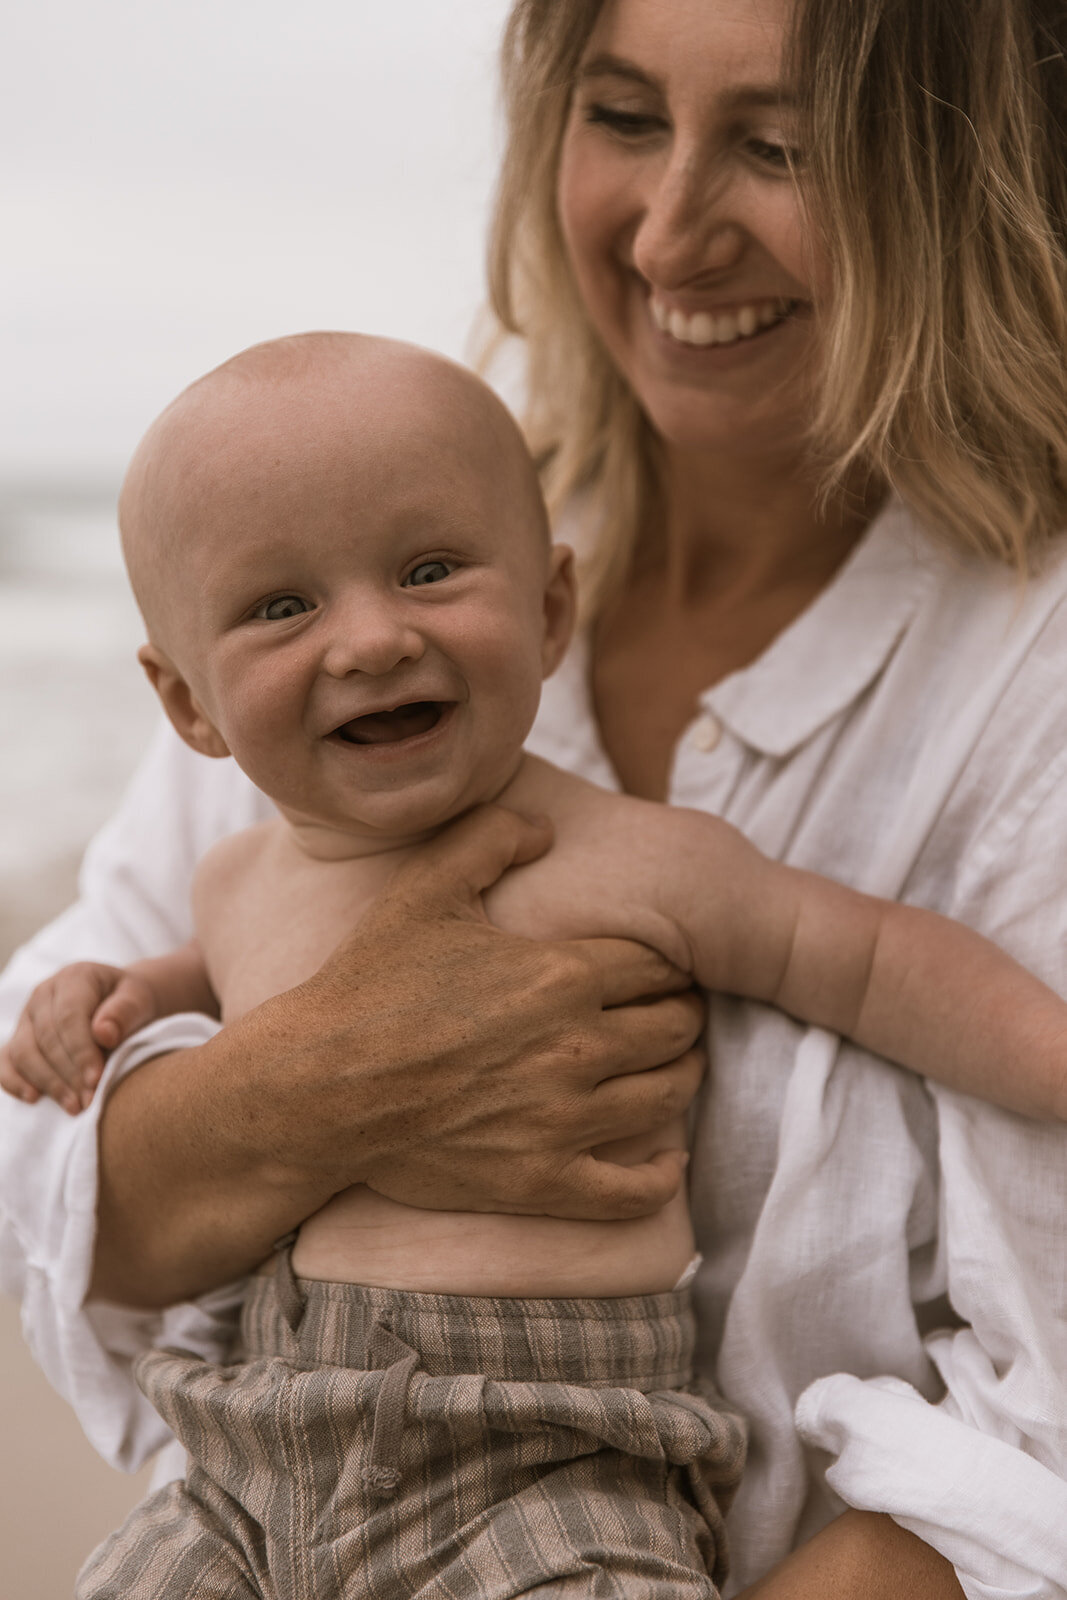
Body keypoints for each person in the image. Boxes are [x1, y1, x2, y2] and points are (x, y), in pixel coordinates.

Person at [2, 0, 1066, 1594]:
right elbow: (58, 1169)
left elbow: (875, 978)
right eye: (623, 118)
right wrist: (271, 1062)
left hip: (567, 1484)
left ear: (958, 174)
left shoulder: (1002, 677)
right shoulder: (361, 557)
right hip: (260, 1456)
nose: (670, 230)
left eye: (778, 147)